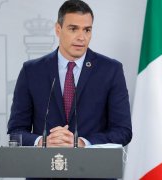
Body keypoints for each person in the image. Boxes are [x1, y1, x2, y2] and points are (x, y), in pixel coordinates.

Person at [8, 0, 132, 150]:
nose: (81, 37)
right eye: (73, 29)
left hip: (92, 170)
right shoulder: (31, 71)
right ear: (58, 29)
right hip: (45, 169)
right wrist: (43, 141)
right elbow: (16, 132)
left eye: (87, 30)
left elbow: (123, 131)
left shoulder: (111, 70)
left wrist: (83, 143)